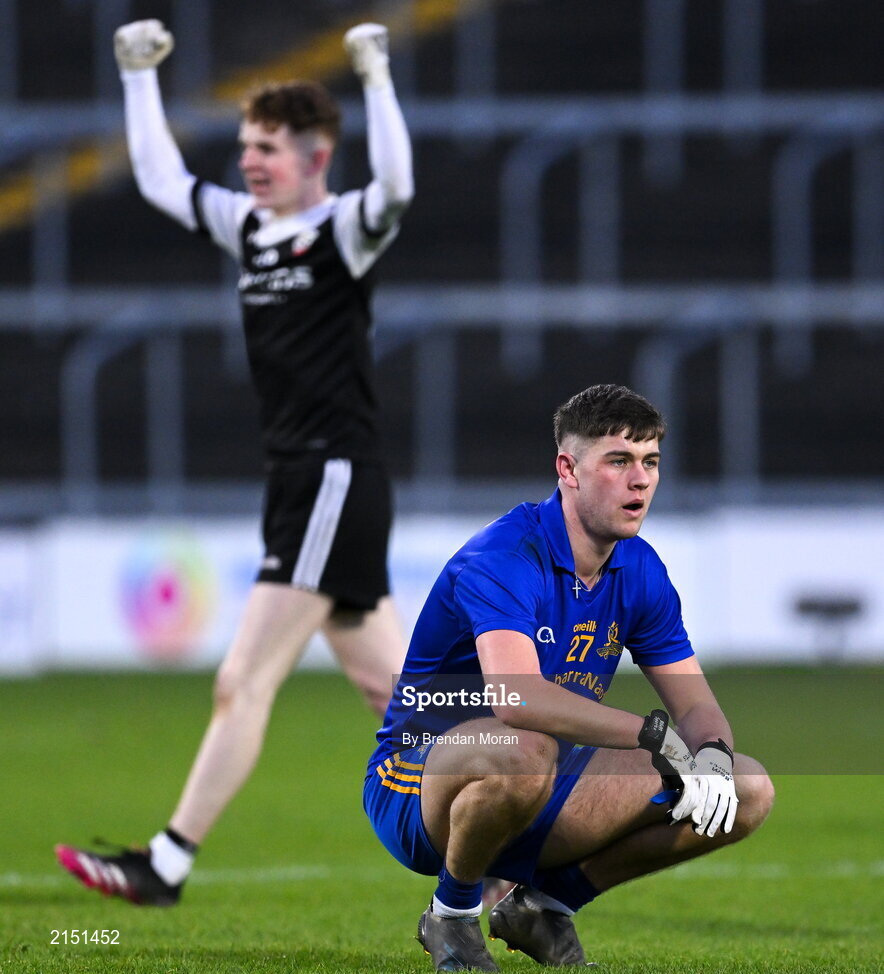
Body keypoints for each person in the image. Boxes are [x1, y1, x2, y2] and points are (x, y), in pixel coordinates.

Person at [55, 18, 413, 906]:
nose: (250, 162)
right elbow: (159, 179)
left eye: (268, 149)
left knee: (240, 680)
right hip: (307, 482)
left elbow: (398, 185)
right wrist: (138, 75)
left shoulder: (344, 231)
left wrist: (376, 75)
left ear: (316, 157)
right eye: (247, 145)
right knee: (403, 697)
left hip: (333, 475)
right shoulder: (248, 228)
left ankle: (165, 863)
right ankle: (518, 851)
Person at [363, 384, 775, 971]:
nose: (641, 481)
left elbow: (698, 708)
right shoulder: (505, 556)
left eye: (650, 462)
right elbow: (515, 698)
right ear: (568, 469)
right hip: (417, 780)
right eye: (618, 461)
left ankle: (546, 906)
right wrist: (651, 737)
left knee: (745, 788)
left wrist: (708, 755)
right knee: (524, 748)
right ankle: (451, 917)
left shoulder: (641, 570)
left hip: (539, 778)